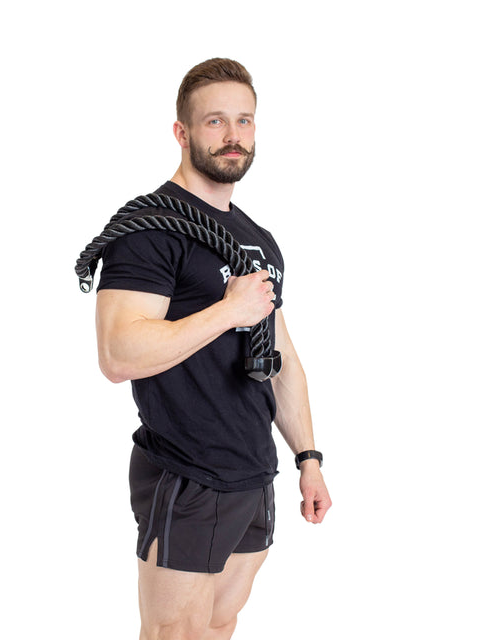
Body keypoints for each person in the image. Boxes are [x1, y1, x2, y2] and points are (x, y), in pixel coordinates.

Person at [94, 58, 331, 640]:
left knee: (219, 625)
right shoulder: (150, 227)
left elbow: (281, 358)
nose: (233, 137)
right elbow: (118, 354)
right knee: (173, 633)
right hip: (186, 469)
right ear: (182, 132)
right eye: (215, 122)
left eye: (245, 122)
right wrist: (228, 310)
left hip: (254, 469)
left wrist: (308, 459)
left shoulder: (258, 238)